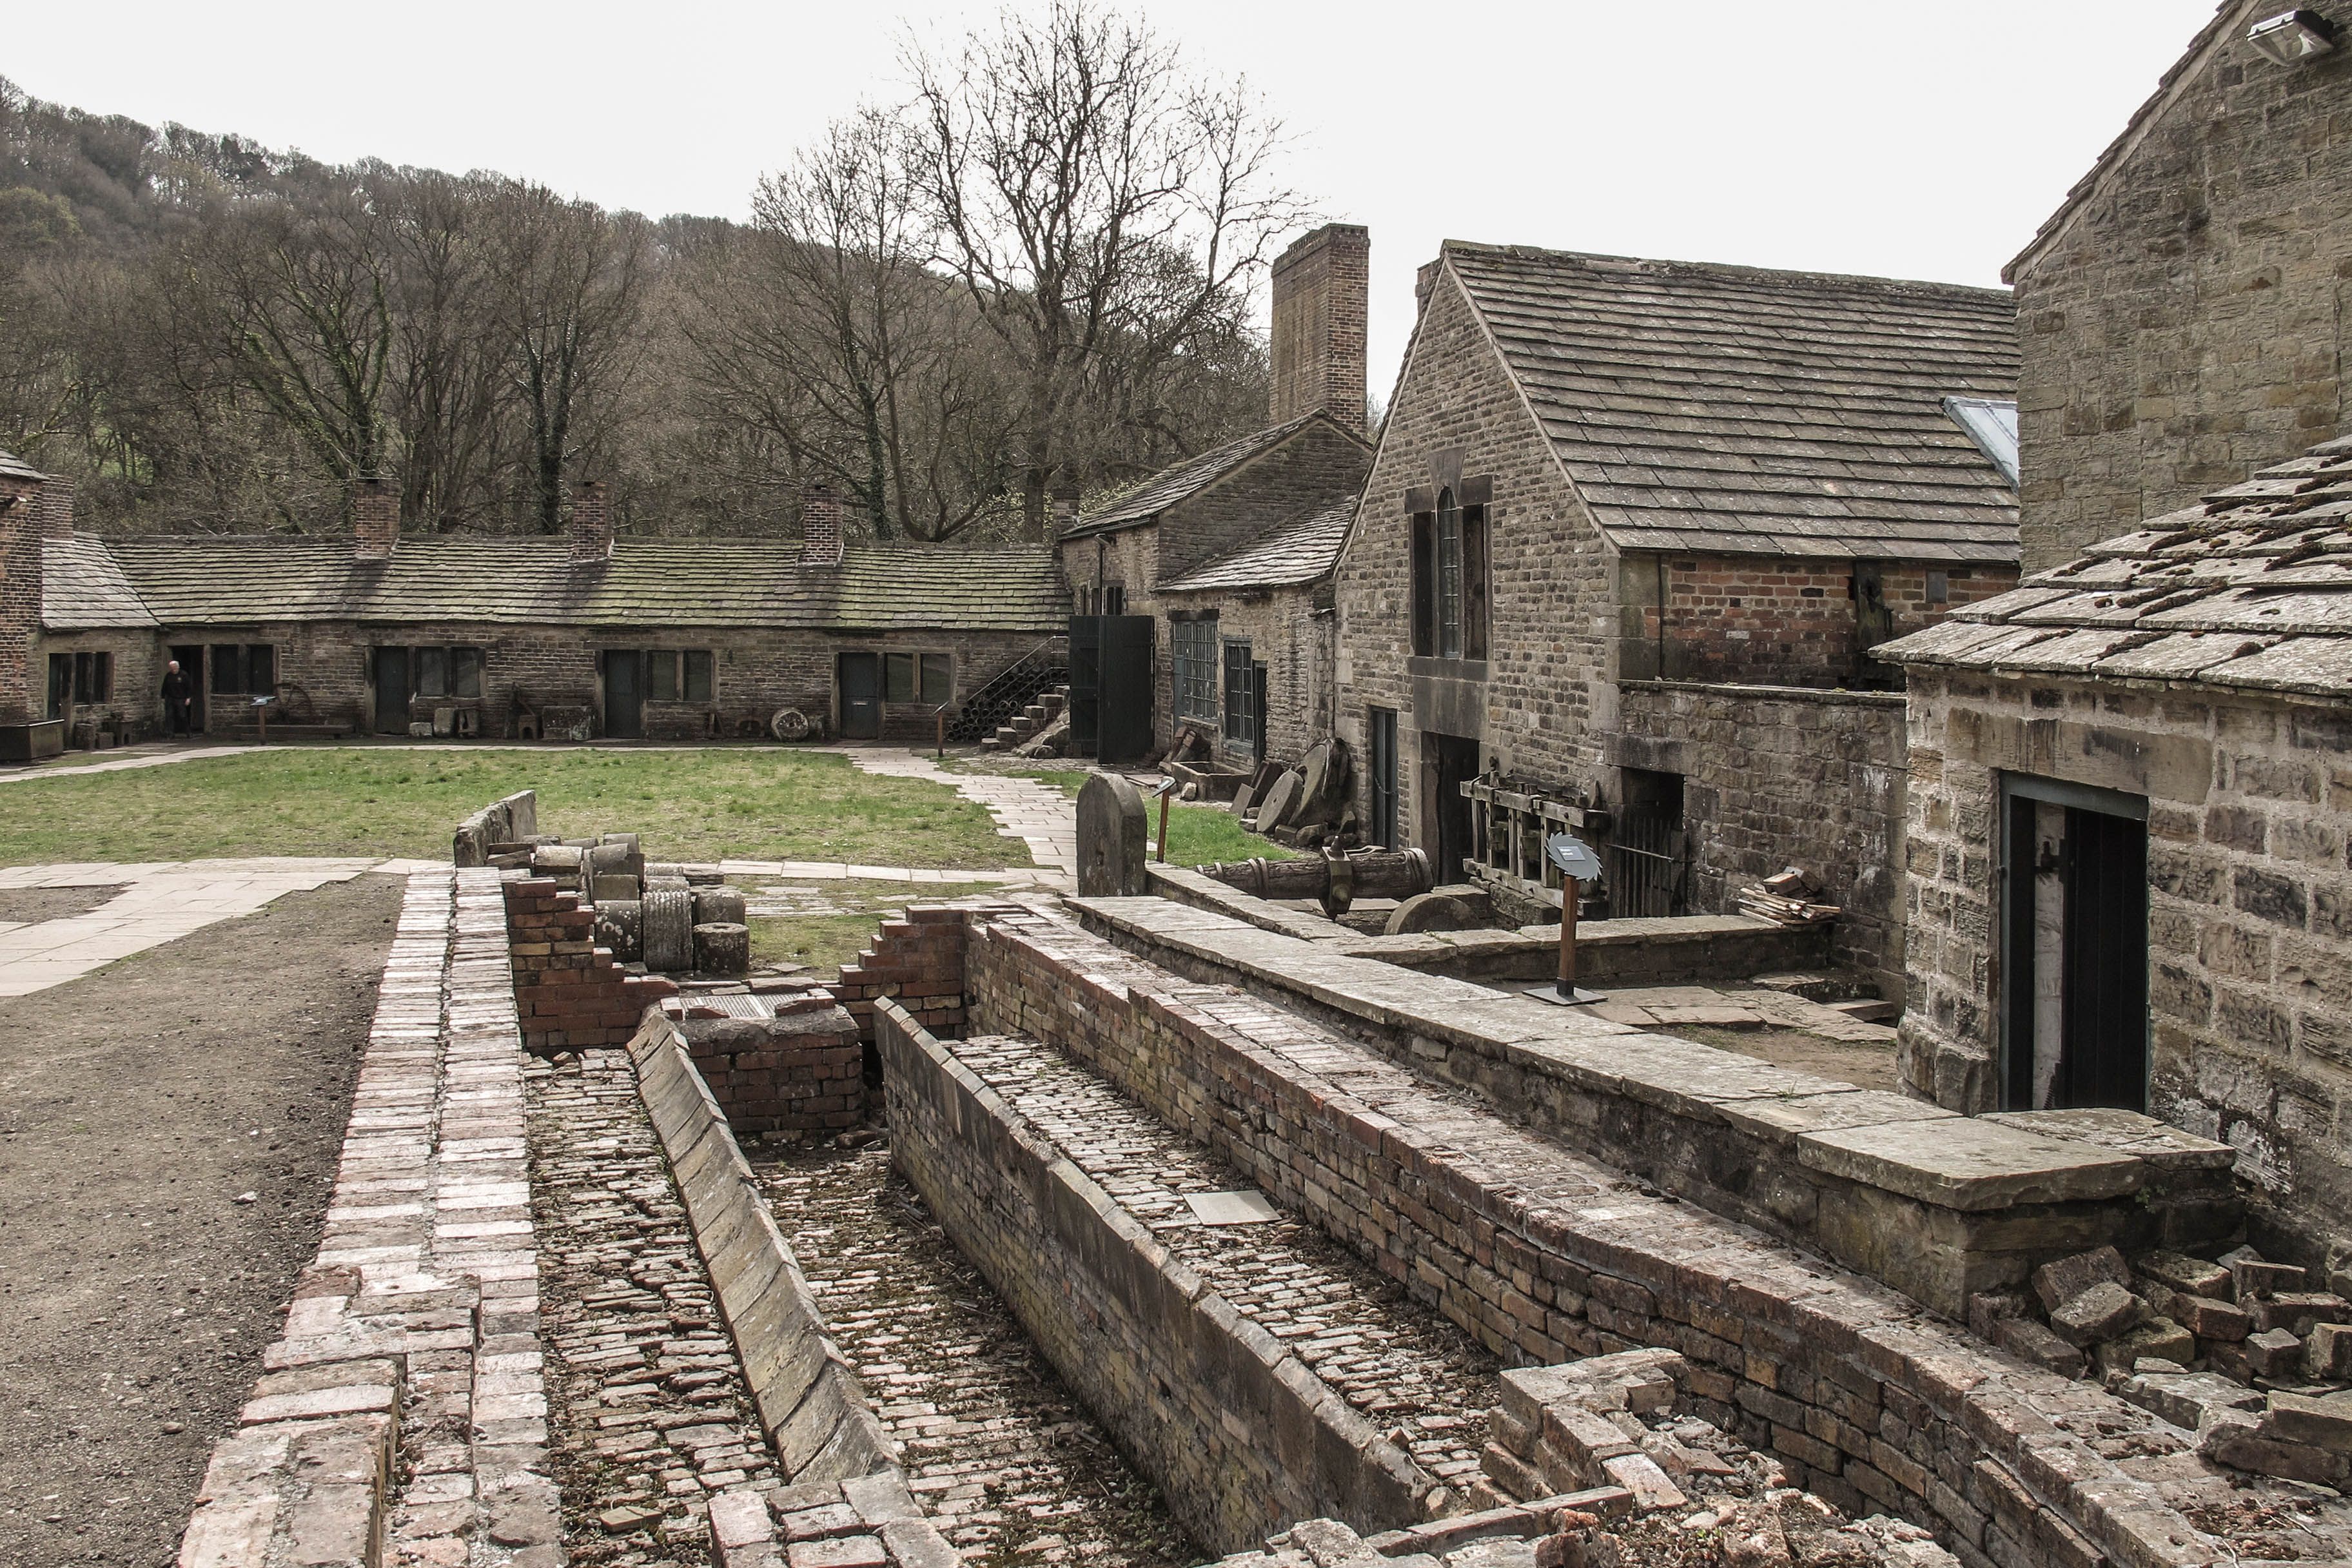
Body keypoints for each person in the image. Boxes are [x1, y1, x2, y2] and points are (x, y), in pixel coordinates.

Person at [160, 660, 193, 738]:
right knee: (169, 716)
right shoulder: (168, 676)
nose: (173, 669)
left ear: (178, 667)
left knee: (183, 715)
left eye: (175, 667)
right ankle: (170, 733)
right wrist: (163, 697)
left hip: (181, 698)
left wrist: (188, 698)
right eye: (172, 667)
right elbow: (164, 687)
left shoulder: (184, 675)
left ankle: (188, 732)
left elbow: (189, 687)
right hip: (170, 698)